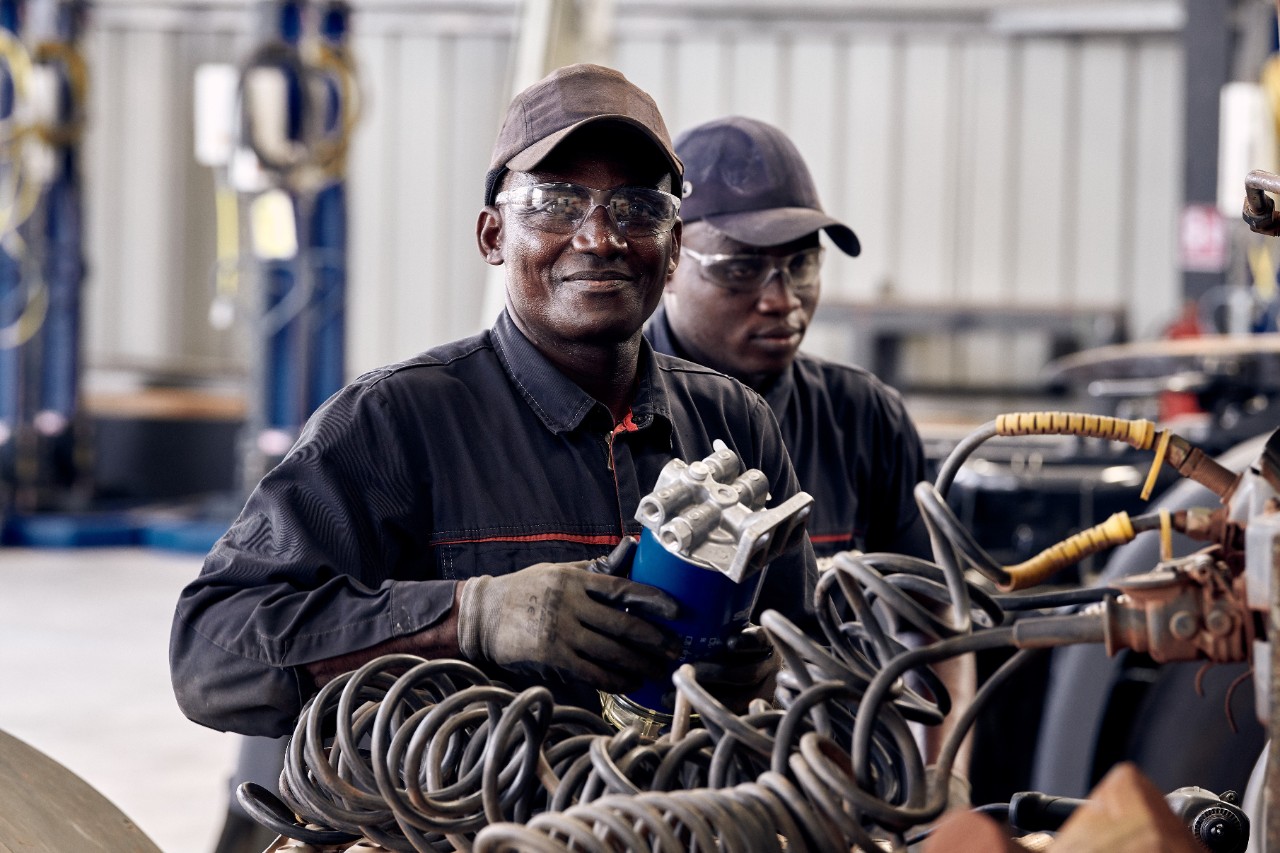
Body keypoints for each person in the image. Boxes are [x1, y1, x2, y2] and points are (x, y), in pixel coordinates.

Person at [169, 64, 816, 739]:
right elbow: (210, 654)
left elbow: (807, 649)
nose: (600, 238)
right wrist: (470, 617)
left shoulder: (733, 422)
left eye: (637, 209)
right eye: (556, 204)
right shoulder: (394, 422)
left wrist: (767, 674)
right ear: (492, 236)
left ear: (674, 248)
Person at [647, 115, 930, 561]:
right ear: (668, 261)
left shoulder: (864, 419)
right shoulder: (608, 422)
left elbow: (925, 612)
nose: (782, 301)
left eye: (802, 266)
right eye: (740, 269)